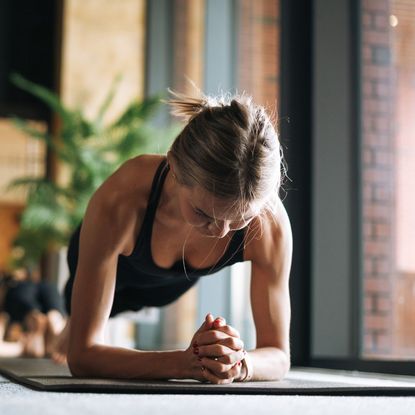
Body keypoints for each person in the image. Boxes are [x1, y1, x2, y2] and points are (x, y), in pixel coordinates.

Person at [55, 91, 293, 384]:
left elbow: (280, 356)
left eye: (239, 220)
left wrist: (240, 363)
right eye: (204, 213)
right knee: (72, 327)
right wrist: (182, 364)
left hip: (169, 285)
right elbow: (81, 358)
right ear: (175, 167)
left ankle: (72, 326)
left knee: (135, 303)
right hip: (108, 260)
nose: (220, 232)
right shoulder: (122, 199)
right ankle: (64, 325)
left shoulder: (269, 224)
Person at [0, 269, 67, 358]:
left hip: (16, 294)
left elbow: (37, 319)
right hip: (47, 287)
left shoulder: (12, 297)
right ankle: (56, 343)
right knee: (55, 319)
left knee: (48, 321)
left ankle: (43, 341)